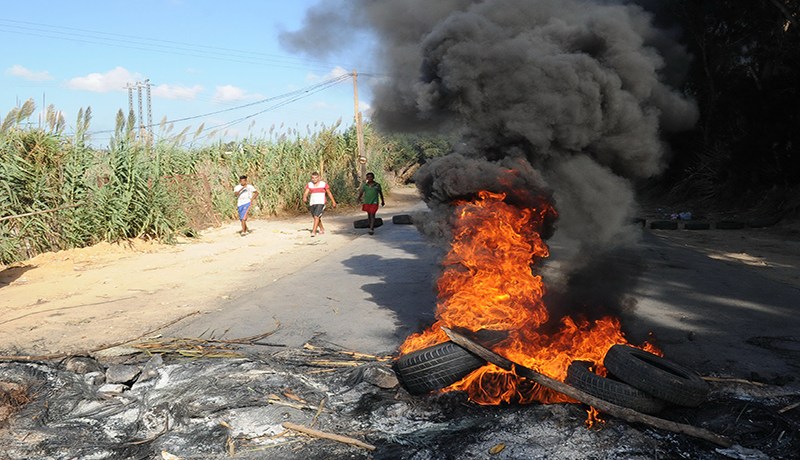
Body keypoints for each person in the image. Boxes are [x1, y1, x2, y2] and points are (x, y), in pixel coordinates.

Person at [302, 171, 336, 237]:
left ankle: (313, 231)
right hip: (312, 203)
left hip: (321, 202)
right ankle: (321, 228)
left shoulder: (323, 184)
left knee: (316, 216)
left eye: (316, 178)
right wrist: (304, 197)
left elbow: (329, 193)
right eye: (313, 178)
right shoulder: (309, 184)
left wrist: (333, 201)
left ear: (319, 178)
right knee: (316, 217)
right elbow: (306, 192)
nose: (314, 179)